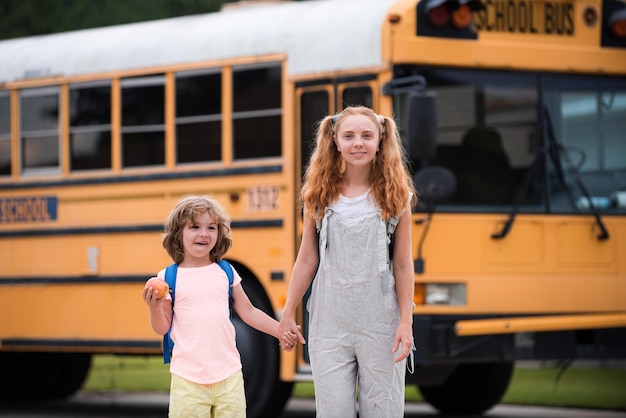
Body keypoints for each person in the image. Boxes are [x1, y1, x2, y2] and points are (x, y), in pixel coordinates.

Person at [278, 106, 417, 417]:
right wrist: (287, 312)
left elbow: (403, 265)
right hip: (329, 323)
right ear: (335, 142)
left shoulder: (397, 197)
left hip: (382, 323)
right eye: (349, 136)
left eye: (367, 136)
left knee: (383, 410)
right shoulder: (317, 196)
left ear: (381, 141)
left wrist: (405, 323)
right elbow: (306, 259)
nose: (358, 143)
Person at [142, 194, 298, 418]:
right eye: (194, 227)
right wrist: (154, 308)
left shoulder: (226, 272)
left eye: (211, 228)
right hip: (188, 380)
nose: (204, 234)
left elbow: (249, 312)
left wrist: (280, 330)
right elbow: (162, 328)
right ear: (179, 234)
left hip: (229, 377)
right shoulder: (168, 277)